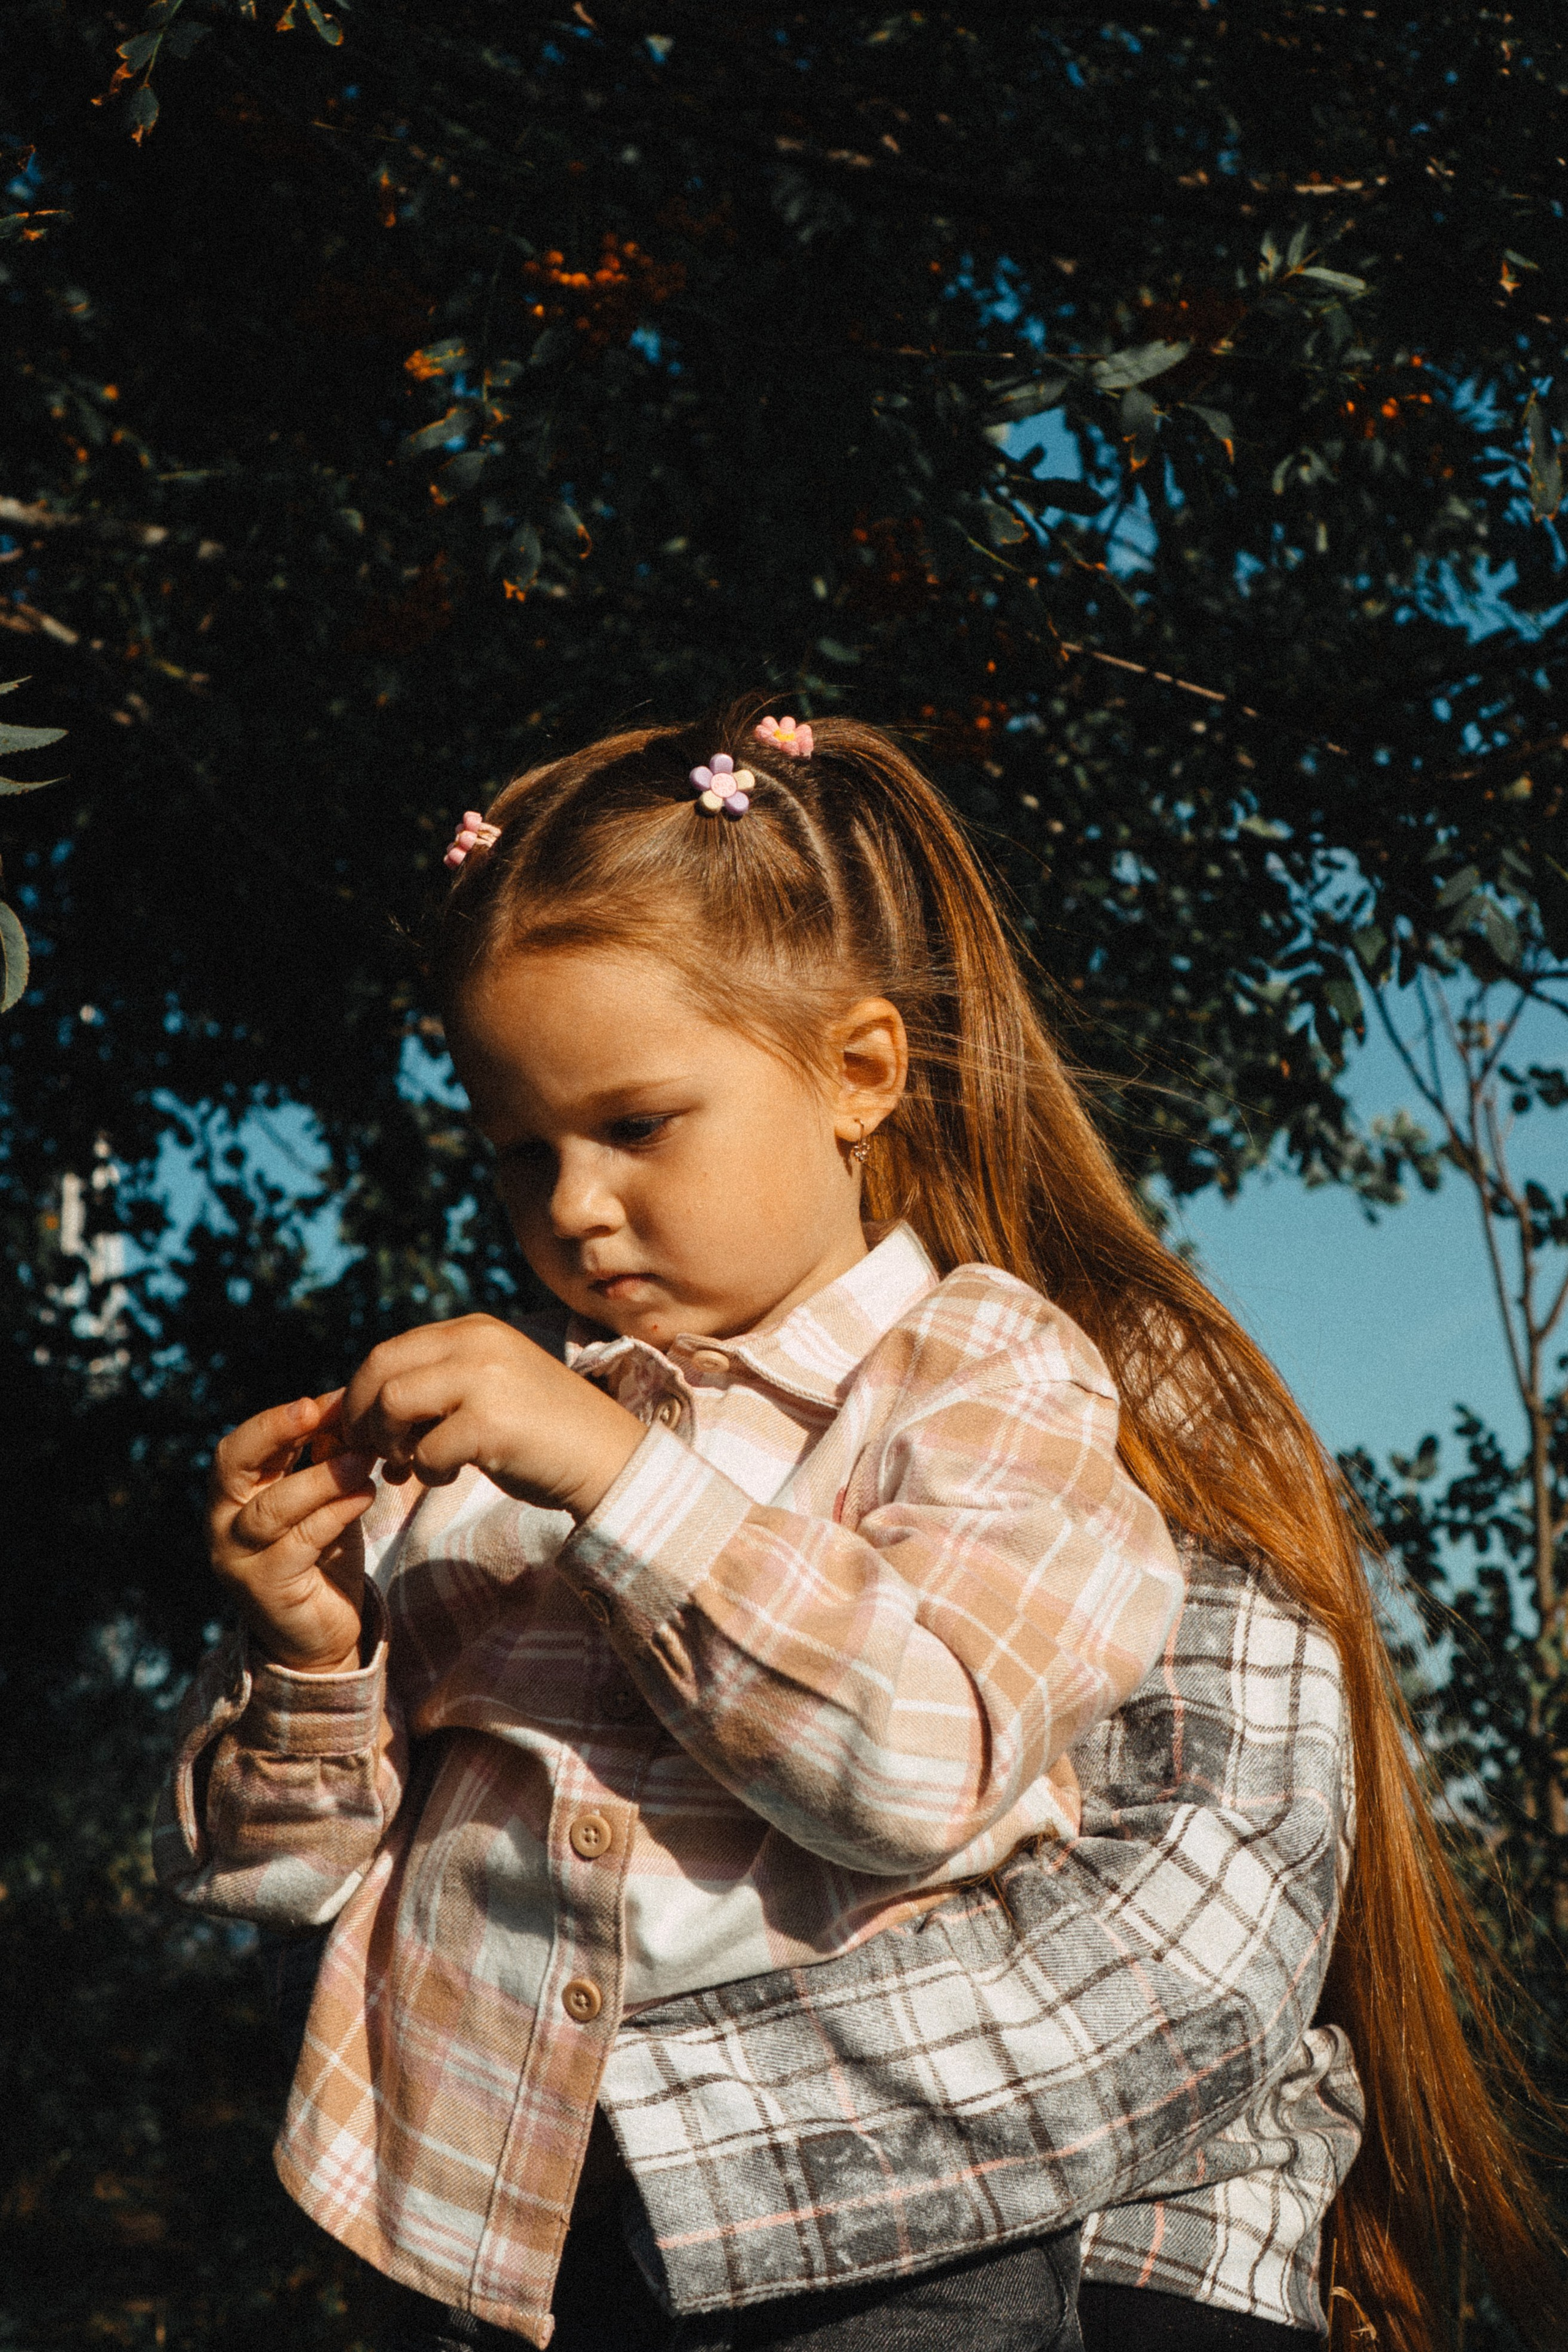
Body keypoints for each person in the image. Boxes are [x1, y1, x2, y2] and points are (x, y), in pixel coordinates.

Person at [156, 707, 1556, 2352]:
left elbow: (916, 1772)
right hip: (488, 2255)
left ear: (861, 1072)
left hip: (881, 2258)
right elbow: (278, 1893)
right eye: (520, 1153)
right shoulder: (483, 1477)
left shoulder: (992, 1378)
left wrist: (626, 1488)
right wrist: (306, 1647)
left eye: (637, 1125)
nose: (575, 1206)